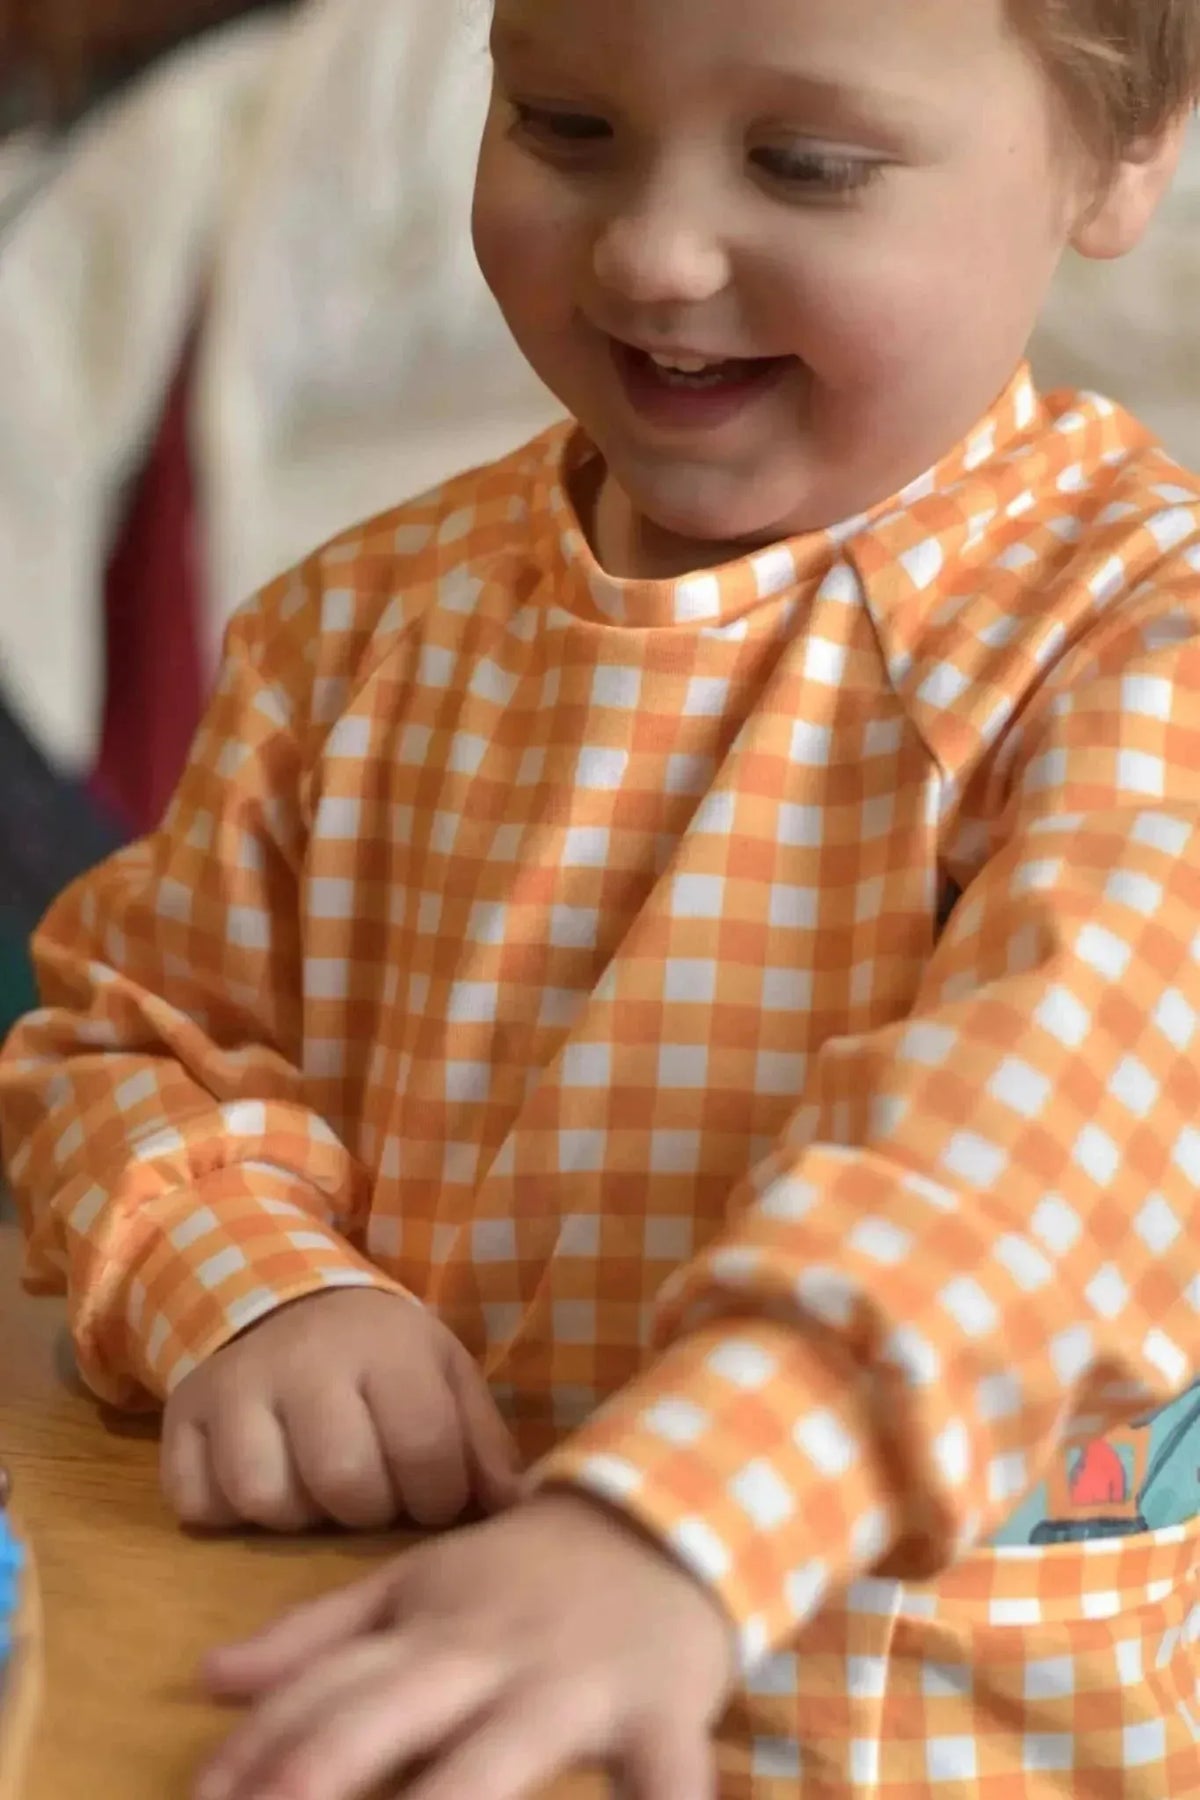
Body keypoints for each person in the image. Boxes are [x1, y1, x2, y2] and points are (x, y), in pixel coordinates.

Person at [2, 0, 1199, 1791]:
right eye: (565, 126)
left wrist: (674, 1529)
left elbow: (1046, 1166)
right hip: (393, 1693)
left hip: (929, 1748)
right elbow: (127, 1045)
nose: (652, 251)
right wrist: (252, 1284)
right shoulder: (352, 628)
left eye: (806, 165)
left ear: (1122, 156)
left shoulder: (1137, 643)